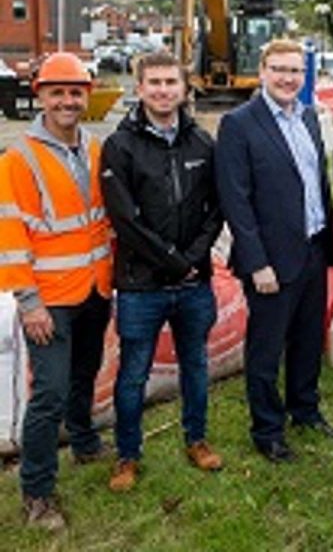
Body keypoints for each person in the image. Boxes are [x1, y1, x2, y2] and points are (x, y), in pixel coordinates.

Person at [100, 52, 224, 491]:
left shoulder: (202, 143)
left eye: (171, 82)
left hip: (194, 285)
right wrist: (175, 260)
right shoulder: (121, 145)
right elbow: (125, 220)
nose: (163, 90)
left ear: (185, 88)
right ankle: (127, 455)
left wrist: (193, 257)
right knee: (133, 373)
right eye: (153, 82)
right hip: (141, 286)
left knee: (195, 363)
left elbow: (217, 208)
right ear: (139, 88)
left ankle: (197, 439)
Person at [0, 53, 113, 530]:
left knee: (84, 374)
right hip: (49, 300)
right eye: (57, 92)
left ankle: (85, 442)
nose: (67, 101)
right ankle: (38, 493)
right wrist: (29, 303)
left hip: (94, 289)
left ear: (87, 96)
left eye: (75, 92)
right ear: (41, 95)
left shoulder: (94, 149)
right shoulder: (18, 159)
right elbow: (10, 236)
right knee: (47, 393)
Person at [216, 39, 333, 463]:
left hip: (311, 248)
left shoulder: (306, 117)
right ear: (263, 71)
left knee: (307, 341)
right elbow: (236, 200)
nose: (288, 78)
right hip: (270, 259)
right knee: (266, 350)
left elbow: (316, 183)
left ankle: (304, 409)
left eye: (296, 71)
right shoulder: (239, 124)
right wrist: (257, 263)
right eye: (280, 70)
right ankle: (267, 429)